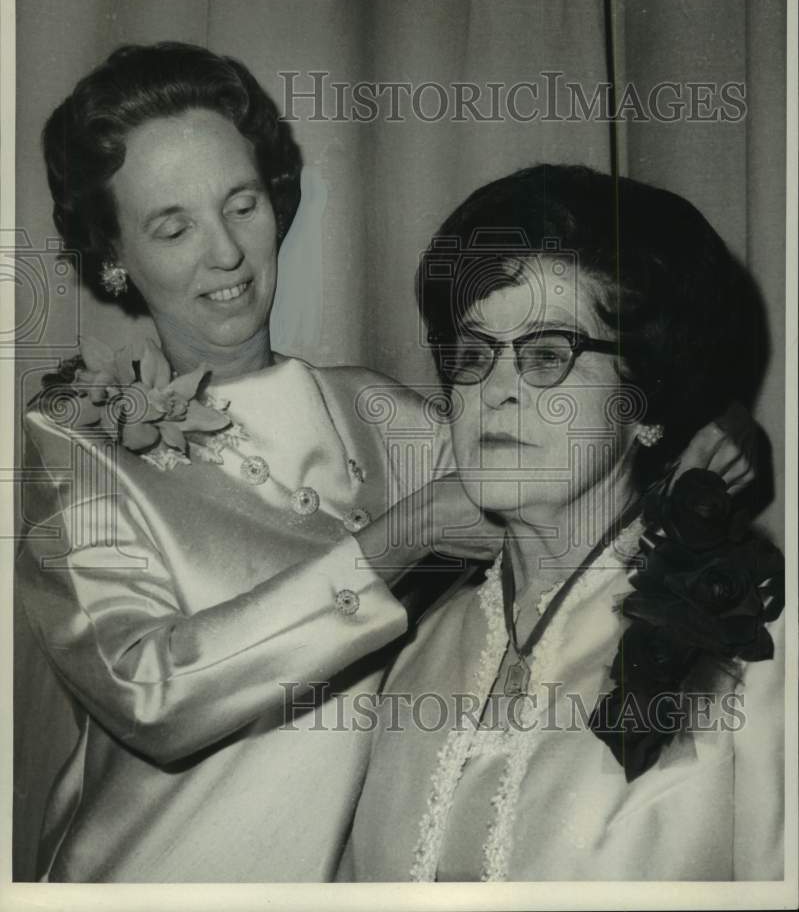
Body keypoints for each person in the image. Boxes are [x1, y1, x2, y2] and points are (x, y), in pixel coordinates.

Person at [16, 44, 753, 883]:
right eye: (172, 225)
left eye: (241, 204)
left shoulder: (382, 414)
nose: (223, 253)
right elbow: (147, 692)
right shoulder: (77, 438)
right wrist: (393, 541)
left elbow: (577, 432)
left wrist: (722, 427)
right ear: (113, 255)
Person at [342, 165, 785, 881]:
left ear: (644, 398)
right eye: (473, 354)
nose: (495, 390)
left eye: (547, 354)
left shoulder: (759, 643)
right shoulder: (415, 651)